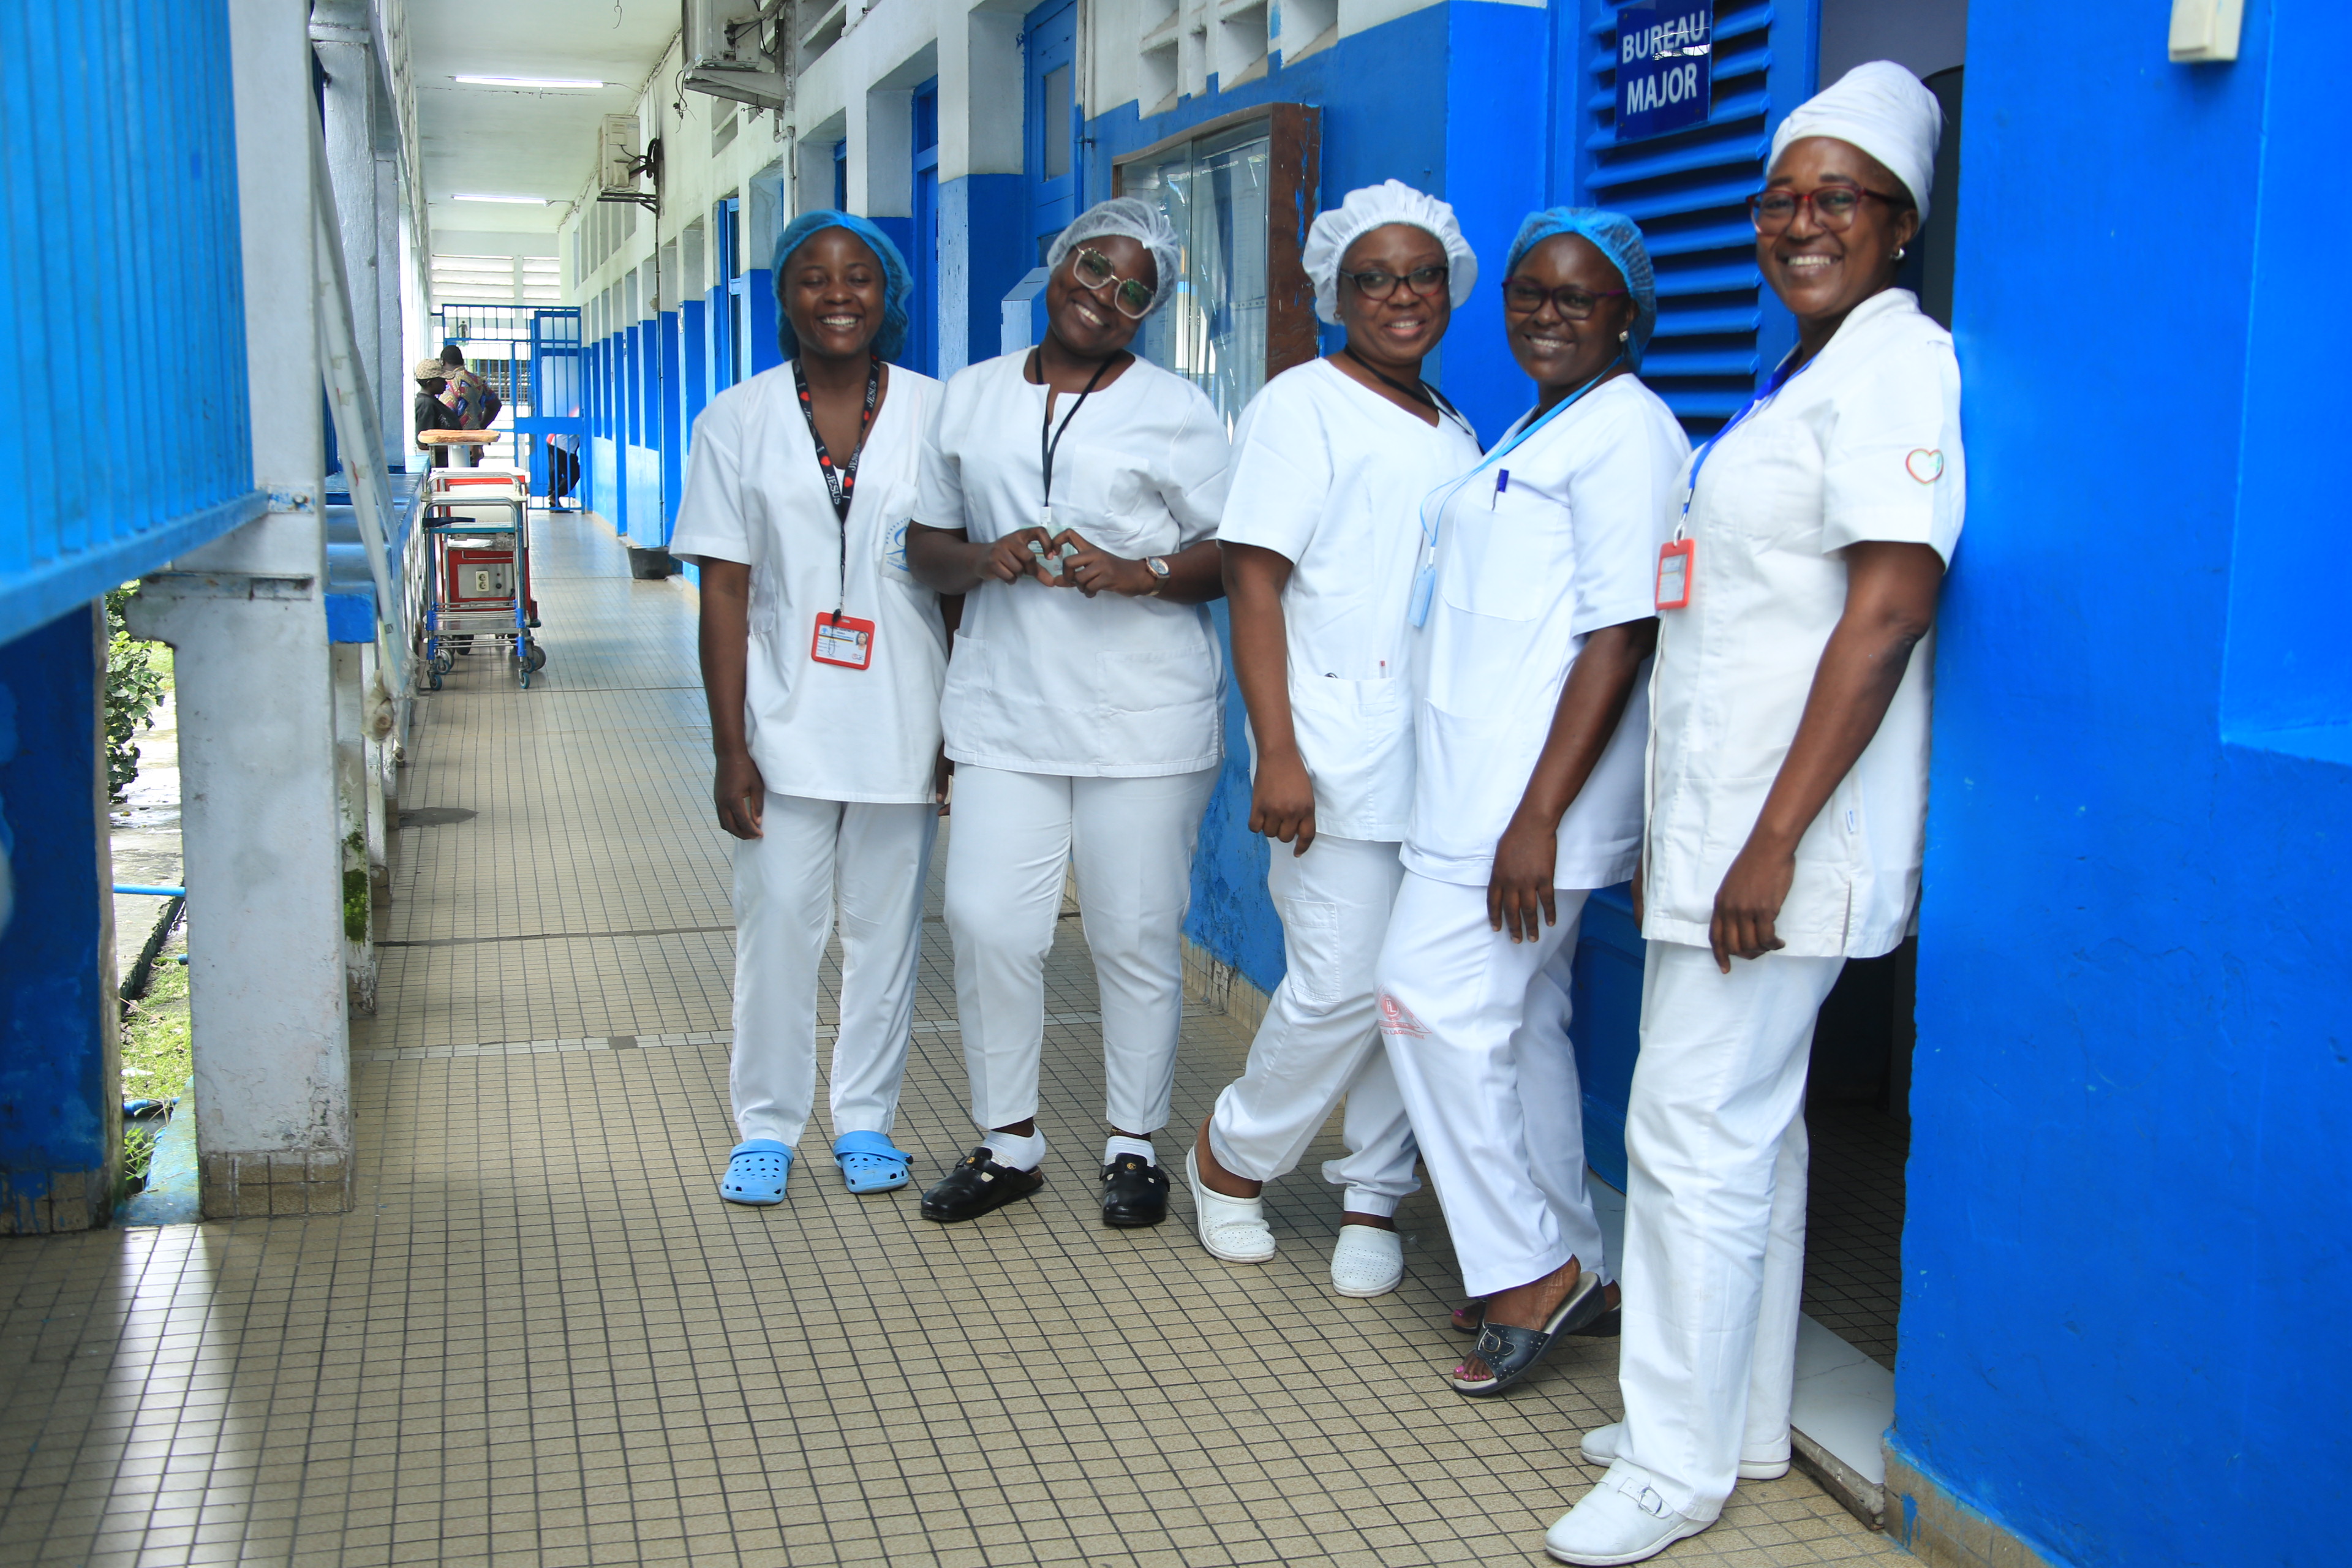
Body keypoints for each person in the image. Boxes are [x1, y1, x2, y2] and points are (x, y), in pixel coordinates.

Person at [1544, 62, 1963, 1565]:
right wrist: (1700, 828)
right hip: (1730, 828)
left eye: (1838, 198)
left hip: (1786, 835)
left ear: (1899, 221)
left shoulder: (1897, 369)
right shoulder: (1800, 374)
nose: (1800, 222)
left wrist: (1772, 837)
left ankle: (1670, 1464)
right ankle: (1737, 1420)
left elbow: (1889, 606)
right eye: (1779, 197)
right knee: (1747, 1130)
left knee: (1688, 1128)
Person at [1376, 208, 1689, 1396]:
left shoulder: (1628, 432)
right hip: (1485, 791)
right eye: (1528, 293)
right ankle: (1580, 1265)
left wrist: (1539, 817)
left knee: (1420, 997)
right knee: (1523, 1026)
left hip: (1524, 805)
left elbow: (1622, 633)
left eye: (1576, 297)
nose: (1546, 314)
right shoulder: (1545, 421)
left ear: (1627, 315)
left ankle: (1526, 1270)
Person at [907, 197, 1232, 1228]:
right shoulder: (969, 397)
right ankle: (1010, 1144)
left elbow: (1235, 552)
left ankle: (1134, 1144)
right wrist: (984, 556)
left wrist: (1142, 572)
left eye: (1135, 289)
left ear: (1151, 311)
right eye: (1093, 268)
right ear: (1059, 262)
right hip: (1006, 710)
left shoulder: (1177, 409)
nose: (1105, 296)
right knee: (988, 923)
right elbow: (924, 547)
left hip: (1144, 717)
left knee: (1133, 934)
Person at [1185, 181, 1482, 1299]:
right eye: (1374, 279)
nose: (1402, 296)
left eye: (1421, 276)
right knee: (1341, 984)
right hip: (1332, 751)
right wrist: (1278, 751)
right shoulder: (1300, 405)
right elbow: (1252, 580)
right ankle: (1232, 1156)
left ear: (1449, 285)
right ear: (1335, 294)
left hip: (1437, 757)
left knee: (1410, 988)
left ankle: (1373, 1192)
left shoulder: (1450, 419)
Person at [667, 212, 947, 1205]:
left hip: (904, 717)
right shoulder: (736, 419)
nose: (838, 295)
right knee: (780, 923)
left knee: (886, 933)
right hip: (780, 722)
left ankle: (865, 1118)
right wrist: (729, 746)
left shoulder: (933, 411)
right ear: (785, 299)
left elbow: (959, 583)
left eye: (858, 276)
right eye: (815, 278)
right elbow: (725, 588)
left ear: (888, 293)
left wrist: (960, 726)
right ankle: (767, 1125)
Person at [439, 344, 500, 467]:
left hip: (453, 447)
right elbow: (496, 405)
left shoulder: (447, 383)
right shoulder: (477, 381)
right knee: (470, 476)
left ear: (443, 362)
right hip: (475, 444)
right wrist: (481, 427)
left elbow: (444, 415)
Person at [412, 358, 460, 468]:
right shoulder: (426, 404)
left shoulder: (433, 402)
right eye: (442, 380)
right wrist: (460, 446)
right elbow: (423, 444)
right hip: (442, 466)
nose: (446, 383)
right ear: (430, 383)